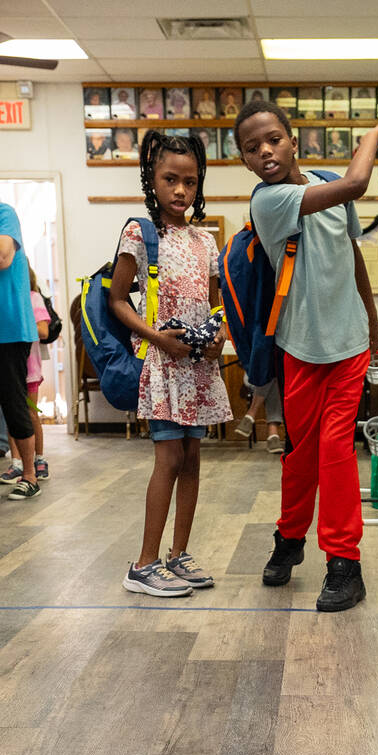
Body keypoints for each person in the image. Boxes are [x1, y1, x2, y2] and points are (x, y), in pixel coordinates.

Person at [234, 99, 378, 611]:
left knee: (334, 450)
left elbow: (352, 251)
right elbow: (356, 184)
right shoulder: (270, 201)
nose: (265, 151)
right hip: (300, 347)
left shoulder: (326, 179)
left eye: (273, 139)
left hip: (348, 342)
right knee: (299, 455)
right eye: (251, 147)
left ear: (293, 139)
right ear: (244, 160)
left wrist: (371, 318)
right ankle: (290, 539)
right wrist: (371, 137)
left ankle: (344, 564)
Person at [110, 130, 231, 597]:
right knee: (168, 458)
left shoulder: (206, 240)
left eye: (190, 181)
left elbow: (216, 304)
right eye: (170, 179)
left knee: (193, 458)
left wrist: (220, 335)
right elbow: (119, 300)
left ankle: (179, 555)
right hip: (164, 365)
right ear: (152, 180)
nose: (181, 191)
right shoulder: (140, 233)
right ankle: (143, 564)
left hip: (199, 368)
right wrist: (156, 338)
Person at [0, 202, 40, 500]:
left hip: (10, 329)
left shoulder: (4, 213)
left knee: (14, 401)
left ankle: (30, 475)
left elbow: (3, 256)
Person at [2, 263, 50, 485]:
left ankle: (39, 459)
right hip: (9, 366)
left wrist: (18, 319)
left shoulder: (33, 298)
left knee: (30, 414)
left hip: (29, 369)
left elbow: (43, 330)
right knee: (13, 415)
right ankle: (17, 463)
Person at [235, 378, 284, 452]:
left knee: (274, 378)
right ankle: (273, 434)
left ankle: (250, 414)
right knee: (271, 377)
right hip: (253, 377)